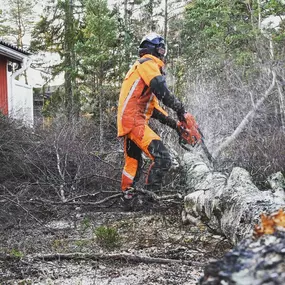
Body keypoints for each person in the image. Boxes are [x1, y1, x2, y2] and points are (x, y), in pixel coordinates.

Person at [117, 32, 199, 201]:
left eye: (163, 50)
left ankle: (127, 197)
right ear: (152, 49)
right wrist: (181, 110)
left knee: (133, 162)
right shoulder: (147, 63)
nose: (162, 53)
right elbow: (161, 89)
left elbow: (153, 108)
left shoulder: (140, 69)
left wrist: (176, 125)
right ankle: (149, 199)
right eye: (160, 49)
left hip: (129, 121)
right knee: (163, 158)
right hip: (134, 122)